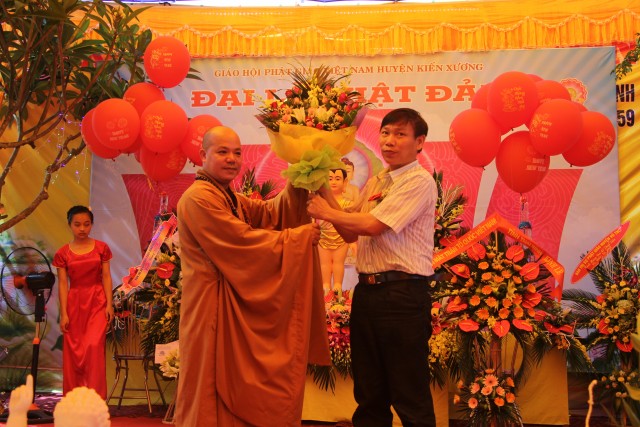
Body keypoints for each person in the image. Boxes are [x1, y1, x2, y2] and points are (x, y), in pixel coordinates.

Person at [174, 126, 330, 426]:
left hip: (226, 302)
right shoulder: (199, 198)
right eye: (222, 152)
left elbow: (269, 215)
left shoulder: (227, 196)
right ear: (203, 155)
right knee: (210, 384)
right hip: (211, 306)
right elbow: (240, 241)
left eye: (237, 152)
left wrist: (298, 182)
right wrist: (298, 238)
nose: (232, 159)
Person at [307, 108, 437, 427]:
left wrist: (326, 212)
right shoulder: (379, 179)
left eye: (400, 134)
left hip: (402, 295)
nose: (389, 141)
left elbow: (373, 225)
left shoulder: (418, 181)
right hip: (368, 293)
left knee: (409, 393)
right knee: (369, 393)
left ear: (420, 142)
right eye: (386, 133)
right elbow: (350, 231)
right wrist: (322, 186)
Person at [53, 205, 114, 399]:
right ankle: (74, 400)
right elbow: (63, 284)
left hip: (97, 301)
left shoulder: (102, 248)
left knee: (94, 348)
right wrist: (64, 313)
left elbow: (106, 277)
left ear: (92, 225)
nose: (82, 228)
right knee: (74, 352)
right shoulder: (62, 253)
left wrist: (109, 304)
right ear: (69, 225)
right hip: (74, 304)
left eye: (86, 224)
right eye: (77, 224)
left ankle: (96, 400)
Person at [318, 168, 352, 296]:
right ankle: (325, 287)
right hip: (322, 237)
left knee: (338, 263)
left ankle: (338, 287)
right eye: (330, 179)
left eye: (337, 179)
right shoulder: (320, 203)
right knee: (324, 264)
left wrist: (353, 242)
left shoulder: (348, 203)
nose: (333, 182)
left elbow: (350, 223)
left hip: (342, 237)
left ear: (345, 182)